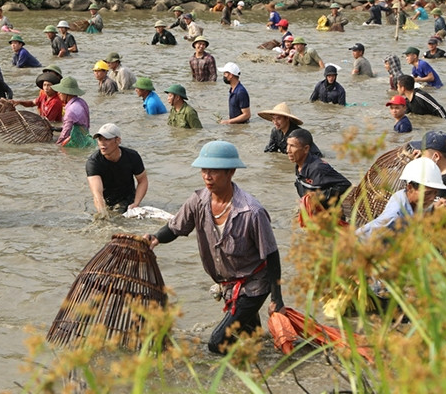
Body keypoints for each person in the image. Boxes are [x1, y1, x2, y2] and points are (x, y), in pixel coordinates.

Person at [143, 140, 286, 354]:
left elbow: (272, 255)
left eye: (214, 171)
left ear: (230, 172)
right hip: (228, 284)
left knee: (217, 343)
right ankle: (261, 365)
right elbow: (175, 228)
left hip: (254, 283)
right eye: (204, 170)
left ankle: (229, 379)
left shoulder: (251, 212)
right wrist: (154, 239)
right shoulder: (198, 201)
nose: (207, 176)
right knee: (250, 335)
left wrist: (277, 299)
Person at [357, 157, 446, 238]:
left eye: (435, 193)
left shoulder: (404, 196)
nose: (432, 198)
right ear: (410, 188)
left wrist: (433, 209)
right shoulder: (394, 217)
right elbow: (361, 237)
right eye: (427, 194)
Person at [86, 123, 148, 217]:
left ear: (118, 140)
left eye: (107, 139)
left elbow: (142, 180)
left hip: (127, 197)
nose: (102, 143)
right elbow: (97, 193)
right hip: (106, 199)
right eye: (100, 139)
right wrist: (103, 214)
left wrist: (136, 203)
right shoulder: (94, 162)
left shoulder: (132, 156)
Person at [287, 129, 351, 209]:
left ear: (306, 149)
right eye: (288, 145)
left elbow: (346, 185)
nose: (288, 150)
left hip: (328, 216)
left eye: (292, 146)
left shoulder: (318, 168)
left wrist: (318, 196)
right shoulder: (299, 165)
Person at [413, 130, 446, 197]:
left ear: (436, 156)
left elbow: (427, 205)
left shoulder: (444, 183)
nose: (422, 157)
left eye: (423, 153)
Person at [52, 76, 90, 145]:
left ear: (67, 93)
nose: (59, 93)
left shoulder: (70, 111)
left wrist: (57, 147)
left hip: (76, 143)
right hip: (85, 138)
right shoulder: (82, 102)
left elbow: (64, 135)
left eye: (61, 91)